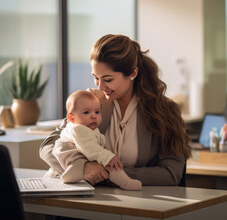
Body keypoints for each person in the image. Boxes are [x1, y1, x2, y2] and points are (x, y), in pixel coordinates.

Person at [40, 34, 191, 186]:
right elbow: (48, 146)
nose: (100, 87)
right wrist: (83, 168)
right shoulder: (92, 100)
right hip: (82, 194)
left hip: (134, 200)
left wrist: (110, 174)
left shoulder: (165, 111)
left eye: (107, 79)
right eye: (96, 77)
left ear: (133, 73)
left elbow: (171, 173)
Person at [53, 90, 142, 190]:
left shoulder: (89, 128)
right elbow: (89, 147)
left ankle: (73, 174)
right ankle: (125, 182)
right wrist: (107, 157)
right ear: (71, 117)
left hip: (79, 163)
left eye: (97, 112)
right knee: (111, 165)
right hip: (74, 159)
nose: (93, 116)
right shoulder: (79, 129)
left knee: (109, 164)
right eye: (86, 112)